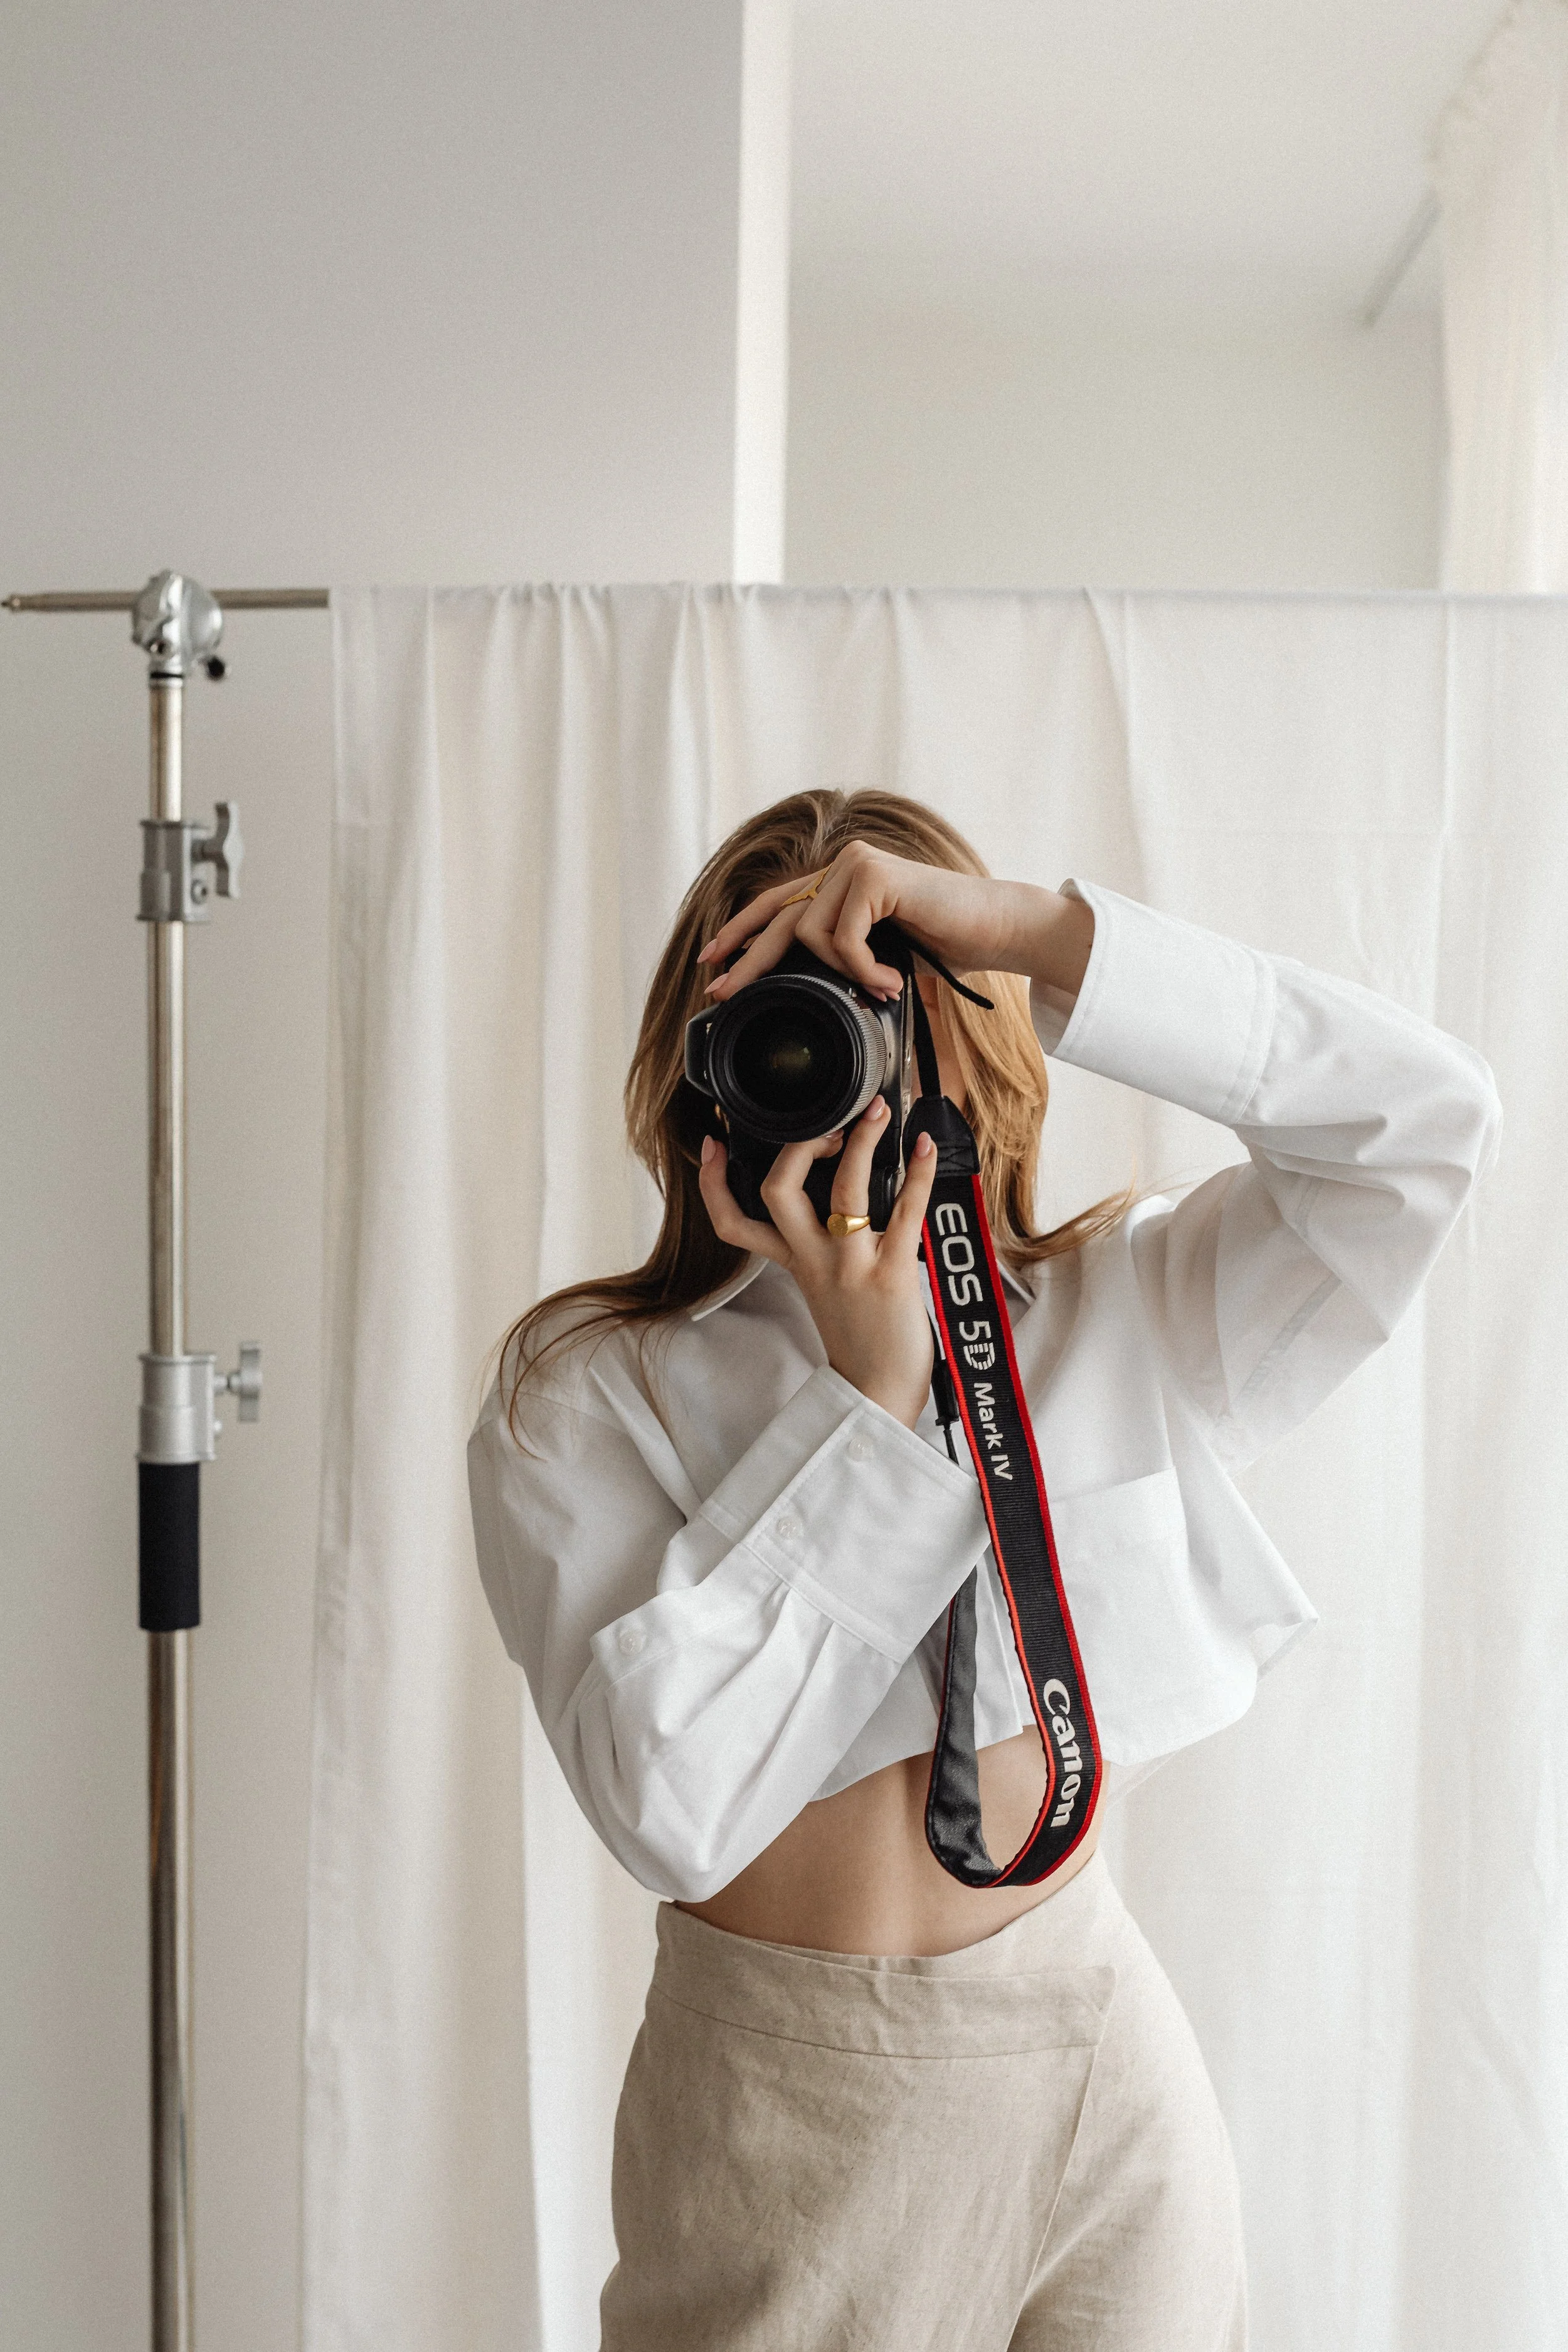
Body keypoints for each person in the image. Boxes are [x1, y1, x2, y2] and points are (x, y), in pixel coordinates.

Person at [467, 788, 1499, 2352]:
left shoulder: (1114, 1303)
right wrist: (866, 1397)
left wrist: (1036, 935)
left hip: (1098, 2060)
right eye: (780, 1020)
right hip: (790, 2106)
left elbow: (1422, 1133)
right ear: (703, 1064)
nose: (835, 1067)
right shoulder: (590, 1391)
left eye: (879, 998)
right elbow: (664, 1807)